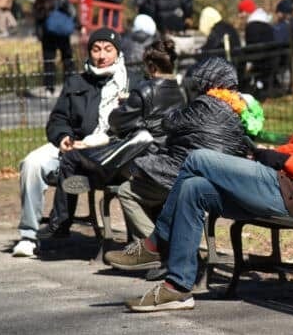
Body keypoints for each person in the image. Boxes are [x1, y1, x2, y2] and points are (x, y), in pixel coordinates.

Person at [114, 42, 293, 312]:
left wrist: (285, 160)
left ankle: (156, 243)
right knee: (194, 188)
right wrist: (269, 155)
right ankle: (178, 288)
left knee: (198, 158)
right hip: (276, 181)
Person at [104, 57, 251, 252]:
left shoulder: (205, 104)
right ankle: (163, 248)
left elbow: (171, 123)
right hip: (222, 183)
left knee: (127, 190)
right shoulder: (239, 109)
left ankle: (159, 249)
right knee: (154, 184)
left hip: (186, 177)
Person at [12, 29, 129, 257]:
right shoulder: (77, 82)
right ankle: (28, 236)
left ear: (117, 52)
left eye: (108, 49)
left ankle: (61, 222)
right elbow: (57, 119)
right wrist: (63, 137)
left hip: (107, 150)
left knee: (78, 168)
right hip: (72, 144)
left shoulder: (129, 83)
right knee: (32, 163)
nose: (101, 56)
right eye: (96, 49)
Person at [54, 39, 186, 235]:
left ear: (150, 66)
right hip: (167, 157)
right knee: (96, 157)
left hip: (142, 159)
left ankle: (61, 222)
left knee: (73, 156)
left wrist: (120, 107)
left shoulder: (145, 90)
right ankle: (87, 182)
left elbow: (116, 123)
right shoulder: (180, 91)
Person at [33, 0, 77, 95]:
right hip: (62, 33)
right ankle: (69, 85)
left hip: (47, 33)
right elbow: (71, 12)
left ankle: (49, 88)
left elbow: (37, 16)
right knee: (67, 59)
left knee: (48, 61)